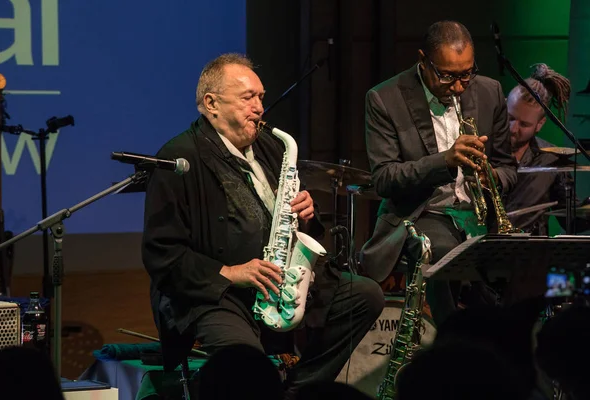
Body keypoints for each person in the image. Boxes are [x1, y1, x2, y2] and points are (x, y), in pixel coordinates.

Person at [141, 53, 385, 399]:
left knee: (365, 296)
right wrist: (230, 271)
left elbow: (297, 226)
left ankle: (299, 391)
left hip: (278, 280)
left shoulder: (271, 147)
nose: (259, 108)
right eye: (247, 98)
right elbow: (160, 253)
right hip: (218, 294)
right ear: (211, 104)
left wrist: (307, 215)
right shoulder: (180, 159)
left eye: (260, 97)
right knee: (247, 365)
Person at [361, 20, 517, 327]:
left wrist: (492, 178)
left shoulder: (489, 91)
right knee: (445, 254)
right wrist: (444, 161)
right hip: (423, 212)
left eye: (466, 74)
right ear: (423, 61)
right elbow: (384, 179)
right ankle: (449, 344)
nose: (459, 86)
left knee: (523, 263)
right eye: (447, 76)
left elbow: (509, 168)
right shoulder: (385, 98)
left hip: (476, 214)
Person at [504, 63, 589, 235]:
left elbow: (571, 220)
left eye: (524, 124)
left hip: (532, 255)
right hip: (484, 250)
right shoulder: (483, 148)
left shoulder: (552, 159)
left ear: (539, 124)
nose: (513, 129)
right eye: (510, 118)